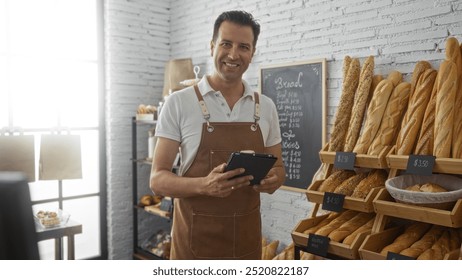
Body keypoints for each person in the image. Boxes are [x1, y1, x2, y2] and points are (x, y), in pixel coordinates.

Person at [150, 10, 285, 260]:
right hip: (193, 247)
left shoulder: (265, 107)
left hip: (246, 246)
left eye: (243, 47)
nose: (234, 54)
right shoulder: (178, 103)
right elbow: (157, 180)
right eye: (226, 44)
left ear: (252, 53)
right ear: (212, 46)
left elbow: (279, 169)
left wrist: (272, 181)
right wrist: (204, 185)